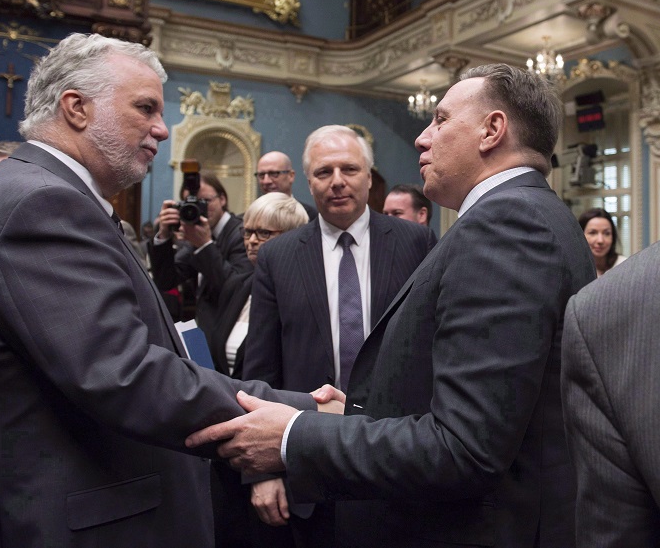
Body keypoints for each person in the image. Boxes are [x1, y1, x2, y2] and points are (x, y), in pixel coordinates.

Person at [186, 64, 597, 548]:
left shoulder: (506, 224)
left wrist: (295, 436)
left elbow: (464, 448)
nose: (422, 139)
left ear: (492, 130)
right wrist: (362, 411)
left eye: (440, 120)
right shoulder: (524, 214)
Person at [0, 32, 322, 548]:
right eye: (144, 108)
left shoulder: (41, 192)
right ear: (75, 107)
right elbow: (122, 373)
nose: (162, 130)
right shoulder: (41, 203)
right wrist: (297, 412)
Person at [240, 124, 437, 547]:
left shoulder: (415, 243)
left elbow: (431, 349)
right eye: (323, 172)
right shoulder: (278, 256)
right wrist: (262, 471)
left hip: (397, 452)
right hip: (307, 460)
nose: (337, 182)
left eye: (349, 169)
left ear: (369, 176)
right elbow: (260, 366)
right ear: (307, 180)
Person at [208, 192, 309, 548]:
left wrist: (265, 471)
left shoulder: (303, 294)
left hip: (276, 450)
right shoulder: (239, 283)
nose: (252, 240)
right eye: (248, 231)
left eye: (264, 234)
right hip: (228, 445)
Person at [562, 242, 660, 547]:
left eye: (605, 232)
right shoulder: (598, 316)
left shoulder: (603, 310)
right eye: (592, 233)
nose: (599, 239)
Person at [148, 170, 252, 329]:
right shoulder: (196, 236)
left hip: (232, 332)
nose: (199, 208)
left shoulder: (242, 234)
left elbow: (236, 290)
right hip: (207, 330)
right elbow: (166, 281)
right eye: (191, 203)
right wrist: (163, 236)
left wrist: (205, 245)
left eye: (205, 201)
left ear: (222, 199)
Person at [256, 150, 318, 219]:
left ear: (291, 176)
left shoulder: (310, 216)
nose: (266, 181)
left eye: (274, 174)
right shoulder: (248, 220)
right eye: (261, 175)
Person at [578, 207, 626, 277]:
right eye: (592, 233)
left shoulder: (623, 265)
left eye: (606, 233)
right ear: (580, 235)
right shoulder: (574, 268)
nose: (600, 240)